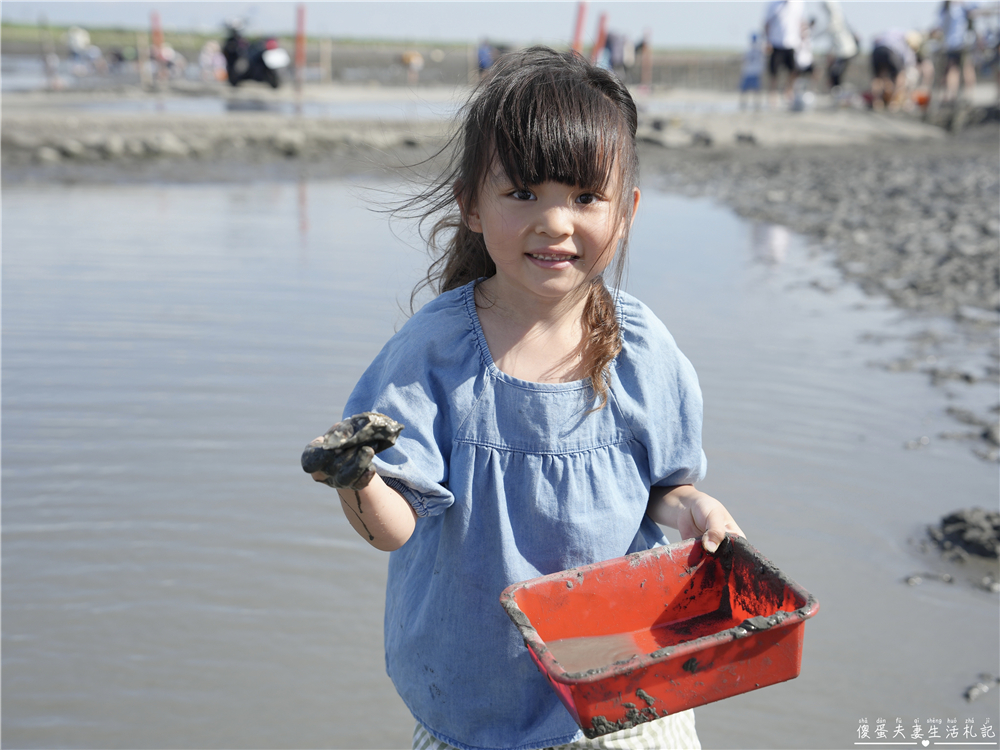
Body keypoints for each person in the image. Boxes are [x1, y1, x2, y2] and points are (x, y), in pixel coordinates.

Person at [304, 46, 744, 750]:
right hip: (478, 704)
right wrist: (353, 474)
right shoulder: (435, 353)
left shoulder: (641, 346)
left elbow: (665, 486)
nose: (555, 222)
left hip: (629, 691)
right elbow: (394, 529)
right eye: (523, 194)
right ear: (471, 206)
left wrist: (696, 509)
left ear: (625, 211)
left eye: (584, 197)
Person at [935, 1, 980, 102]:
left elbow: (939, 27)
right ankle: (968, 95)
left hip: (952, 44)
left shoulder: (945, 8)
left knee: (954, 68)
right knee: (965, 67)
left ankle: (953, 95)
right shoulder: (960, 6)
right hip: (962, 42)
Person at [764, 0, 805, 106]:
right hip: (776, 43)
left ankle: (788, 91)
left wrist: (802, 39)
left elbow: (800, 22)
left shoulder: (799, 4)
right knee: (774, 72)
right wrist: (768, 41)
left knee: (794, 71)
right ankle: (773, 94)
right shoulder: (773, 5)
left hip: (792, 43)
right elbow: (767, 23)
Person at [819, 0, 860, 90]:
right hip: (840, 52)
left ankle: (837, 90)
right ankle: (835, 89)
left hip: (845, 51)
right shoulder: (835, 18)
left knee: (836, 73)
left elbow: (829, 29)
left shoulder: (836, 18)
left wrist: (813, 35)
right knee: (834, 73)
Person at [739, 32, 765, 110]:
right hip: (754, 72)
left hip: (749, 72)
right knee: (755, 90)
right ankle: (756, 105)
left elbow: (744, 60)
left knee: (746, 90)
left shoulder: (750, 49)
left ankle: (745, 105)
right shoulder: (759, 50)